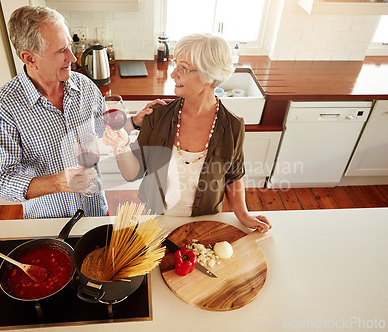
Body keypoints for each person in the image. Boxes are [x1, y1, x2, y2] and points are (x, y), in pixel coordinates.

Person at [0, 6, 156, 219]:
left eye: (70, 47)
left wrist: (133, 122)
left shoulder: (84, 86)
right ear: (30, 59)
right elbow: (2, 182)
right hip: (48, 221)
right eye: (61, 51)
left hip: (95, 210)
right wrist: (58, 182)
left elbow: (99, 127)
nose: (73, 58)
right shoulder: (4, 106)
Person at [104, 33, 271, 233]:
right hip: (156, 222)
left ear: (209, 76)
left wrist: (243, 215)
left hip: (205, 225)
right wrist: (121, 146)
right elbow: (132, 173)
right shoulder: (157, 116)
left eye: (182, 68)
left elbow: (233, 177)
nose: (174, 74)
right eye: (176, 65)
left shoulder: (232, 127)